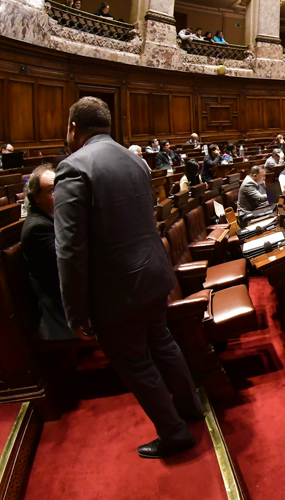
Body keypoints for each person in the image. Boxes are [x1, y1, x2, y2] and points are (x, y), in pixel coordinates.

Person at [54, 97, 201, 459]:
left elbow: (70, 249)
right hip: (153, 273)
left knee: (135, 363)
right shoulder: (135, 160)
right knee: (163, 342)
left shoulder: (73, 168)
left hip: (117, 289)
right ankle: (191, 407)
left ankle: (174, 433)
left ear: (73, 127)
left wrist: (74, 312)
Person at [20, 165, 75, 341]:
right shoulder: (38, 228)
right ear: (36, 197)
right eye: (52, 191)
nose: (60, 195)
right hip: (61, 313)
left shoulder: (53, 219)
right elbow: (69, 266)